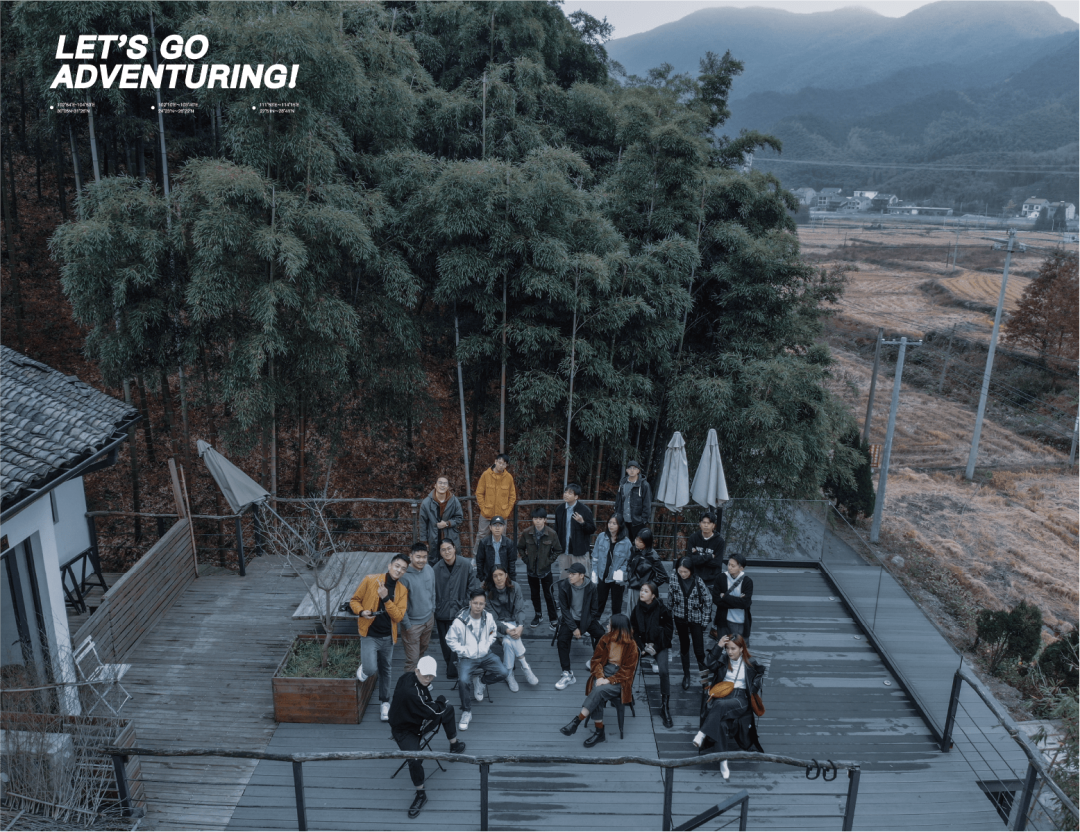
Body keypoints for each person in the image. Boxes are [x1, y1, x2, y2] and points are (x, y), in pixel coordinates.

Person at [388, 656, 467, 818]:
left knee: (449, 710)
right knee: (415, 759)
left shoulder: (408, 677)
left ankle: (454, 745)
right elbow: (433, 712)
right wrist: (441, 700)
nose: (428, 679)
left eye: (431, 676)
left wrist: (436, 703)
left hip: (418, 719)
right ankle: (421, 794)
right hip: (404, 730)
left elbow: (426, 705)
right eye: (425, 675)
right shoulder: (412, 692)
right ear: (417, 671)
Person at [558, 614, 639, 747]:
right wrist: (600, 676)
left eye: (610, 625)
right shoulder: (606, 639)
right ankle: (598, 732)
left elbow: (627, 672)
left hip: (620, 680)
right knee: (598, 691)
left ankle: (578, 721)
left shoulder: (631, 646)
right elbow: (596, 661)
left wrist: (608, 680)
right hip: (604, 671)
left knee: (598, 690)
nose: (607, 626)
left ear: (617, 628)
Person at [694, 634, 764, 780]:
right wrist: (718, 646)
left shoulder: (750, 663)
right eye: (727, 648)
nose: (730, 652)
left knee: (719, 704)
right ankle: (723, 761)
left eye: (733, 649)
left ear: (741, 649)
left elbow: (759, 675)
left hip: (741, 698)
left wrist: (753, 688)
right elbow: (707, 663)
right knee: (721, 723)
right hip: (724, 694)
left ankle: (702, 733)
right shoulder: (723, 660)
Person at [350, 554, 410, 722]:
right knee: (371, 670)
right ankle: (366, 667)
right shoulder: (370, 580)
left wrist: (386, 598)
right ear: (390, 565)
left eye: (403, 569)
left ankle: (385, 702)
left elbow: (398, 617)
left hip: (388, 637)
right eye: (397, 566)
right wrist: (361, 612)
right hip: (369, 634)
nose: (399, 570)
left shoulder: (402, 590)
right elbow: (354, 601)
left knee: (386, 669)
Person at [445, 589, 509, 730]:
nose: (478, 606)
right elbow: (449, 639)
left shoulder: (488, 617)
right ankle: (466, 711)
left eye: (481, 603)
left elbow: (493, 632)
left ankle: (481, 681)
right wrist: (464, 651)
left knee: (504, 672)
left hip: (486, 655)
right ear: (470, 603)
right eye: (475, 603)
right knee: (463, 681)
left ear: (485, 604)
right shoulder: (460, 621)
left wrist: (487, 645)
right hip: (467, 657)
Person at [432, 540, 482, 680]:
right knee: (445, 641)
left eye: (449, 548)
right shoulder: (435, 569)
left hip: (461, 610)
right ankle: (451, 664)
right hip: (442, 611)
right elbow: (432, 591)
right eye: (443, 550)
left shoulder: (465, 564)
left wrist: (465, 604)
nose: (447, 552)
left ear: (454, 548)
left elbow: (472, 588)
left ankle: (453, 669)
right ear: (440, 552)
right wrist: (437, 606)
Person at [484, 565, 538, 690]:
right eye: (495, 576)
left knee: (508, 643)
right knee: (509, 639)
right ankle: (525, 665)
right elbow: (493, 619)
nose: (499, 578)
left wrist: (520, 626)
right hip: (496, 626)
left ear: (506, 575)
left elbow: (520, 609)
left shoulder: (515, 587)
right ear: (492, 578)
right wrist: (507, 630)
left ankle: (508, 674)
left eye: (501, 575)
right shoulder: (487, 592)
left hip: (513, 623)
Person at [554, 563, 605, 690]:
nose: (569, 576)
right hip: (570, 619)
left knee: (602, 635)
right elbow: (564, 610)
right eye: (569, 573)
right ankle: (567, 673)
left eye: (573, 574)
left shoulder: (591, 587)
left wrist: (582, 627)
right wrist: (574, 628)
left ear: (581, 576)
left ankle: (595, 661)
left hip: (586, 619)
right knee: (562, 640)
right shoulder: (564, 585)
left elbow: (594, 610)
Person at [630, 582, 675, 728]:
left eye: (646, 591)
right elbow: (633, 630)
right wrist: (641, 647)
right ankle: (626, 694)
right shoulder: (637, 609)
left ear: (653, 595)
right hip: (643, 644)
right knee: (629, 663)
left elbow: (668, 633)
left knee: (664, 671)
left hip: (658, 644)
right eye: (641, 590)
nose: (642, 593)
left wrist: (655, 647)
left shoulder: (663, 610)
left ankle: (665, 707)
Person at [669, 557, 711, 691]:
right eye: (680, 571)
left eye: (685, 572)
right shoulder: (673, 578)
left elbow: (708, 600)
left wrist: (704, 621)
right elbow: (670, 597)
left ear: (691, 570)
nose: (682, 574)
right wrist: (669, 616)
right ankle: (686, 675)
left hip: (696, 619)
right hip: (680, 618)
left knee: (699, 651)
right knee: (684, 646)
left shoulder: (698, 581)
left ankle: (705, 680)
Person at [518, 506, 562, 628]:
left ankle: (553, 617)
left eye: (540, 518)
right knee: (534, 594)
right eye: (535, 518)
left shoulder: (551, 534)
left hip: (546, 570)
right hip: (531, 570)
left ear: (545, 520)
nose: (537, 521)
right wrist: (526, 560)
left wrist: (548, 561)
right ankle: (538, 615)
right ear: (532, 519)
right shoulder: (526, 533)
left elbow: (558, 549)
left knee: (549, 594)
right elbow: (520, 547)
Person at [399, 541, 436, 674]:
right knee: (412, 659)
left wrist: (432, 610)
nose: (421, 560)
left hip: (428, 620)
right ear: (411, 556)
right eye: (418, 557)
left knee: (422, 651)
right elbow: (400, 604)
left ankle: (418, 678)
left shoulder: (429, 569)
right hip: (413, 624)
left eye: (424, 557)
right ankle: (408, 683)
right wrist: (407, 626)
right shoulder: (404, 577)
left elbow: (433, 591)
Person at [591, 514, 632, 620]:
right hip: (602, 575)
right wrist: (594, 572)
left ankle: (616, 625)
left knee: (616, 605)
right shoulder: (601, 537)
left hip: (617, 579)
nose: (611, 525)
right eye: (610, 522)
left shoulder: (626, 542)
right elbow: (595, 557)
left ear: (620, 525)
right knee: (599, 602)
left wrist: (621, 571)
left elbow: (628, 561)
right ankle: (594, 623)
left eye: (614, 523)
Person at [474, 454, 516, 552]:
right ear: (495, 461)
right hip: (486, 513)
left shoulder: (509, 477)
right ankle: (476, 557)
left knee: (501, 537)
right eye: (500, 463)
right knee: (482, 535)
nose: (501, 465)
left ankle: (499, 558)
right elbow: (479, 493)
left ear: (506, 465)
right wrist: (484, 508)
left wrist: (507, 511)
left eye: (504, 464)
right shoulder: (486, 475)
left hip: (502, 514)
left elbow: (512, 496)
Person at [554, 483, 596, 572]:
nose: (566, 495)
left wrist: (582, 522)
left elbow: (592, 529)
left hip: (579, 551)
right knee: (564, 576)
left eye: (570, 493)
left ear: (576, 496)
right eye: (565, 492)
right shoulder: (560, 509)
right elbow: (556, 529)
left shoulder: (584, 510)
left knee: (581, 576)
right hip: (564, 550)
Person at [418, 476, 463, 559]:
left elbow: (459, 518)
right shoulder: (426, 503)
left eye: (445, 483)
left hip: (450, 535)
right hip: (432, 536)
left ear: (448, 487)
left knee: (452, 559)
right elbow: (422, 523)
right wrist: (424, 541)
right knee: (433, 560)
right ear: (435, 485)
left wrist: (447, 523)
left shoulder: (454, 501)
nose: (442, 485)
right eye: (440, 483)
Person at [713, 553, 753, 642]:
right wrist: (738, 601)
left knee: (738, 647)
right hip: (723, 620)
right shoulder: (721, 578)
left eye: (733, 566)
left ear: (741, 568)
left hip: (739, 621)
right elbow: (716, 599)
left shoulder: (747, 582)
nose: (729, 567)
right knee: (722, 646)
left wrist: (725, 597)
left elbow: (745, 603)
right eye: (728, 564)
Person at [613, 460, 653, 543]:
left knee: (637, 543)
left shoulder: (644, 485)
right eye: (630, 468)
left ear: (638, 471)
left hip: (637, 521)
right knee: (623, 543)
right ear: (626, 470)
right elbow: (618, 501)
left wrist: (643, 520)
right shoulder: (623, 484)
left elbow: (647, 504)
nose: (632, 470)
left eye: (635, 468)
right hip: (623, 520)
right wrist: (618, 516)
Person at [685, 510, 725, 588]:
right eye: (704, 522)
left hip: (712, 580)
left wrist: (697, 556)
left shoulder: (719, 541)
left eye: (709, 523)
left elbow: (716, 563)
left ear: (713, 525)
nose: (706, 525)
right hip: (695, 578)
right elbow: (690, 560)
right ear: (700, 524)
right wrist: (710, 557)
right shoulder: (693, 538)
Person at [627, 529, 669, 596]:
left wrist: (649, 586)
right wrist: (629, 576)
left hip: (645, 590)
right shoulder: (634, 550)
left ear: (647, 542)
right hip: (632, 586)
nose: (637, 542)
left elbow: (663, 576)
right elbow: (629, 563)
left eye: (640, 541)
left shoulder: (653, 556)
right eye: (636, 539)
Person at [476, 515, 515, 585]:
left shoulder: (508, 543)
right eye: (494, 525)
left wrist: (511, 579)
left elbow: (511, 562)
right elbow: (479, 561)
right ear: (490, 527)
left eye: (500, 525)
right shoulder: (484, 542)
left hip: (503, 576)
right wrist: (482, 578)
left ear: (504, 527)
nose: (497, 528)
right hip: (488, 576)